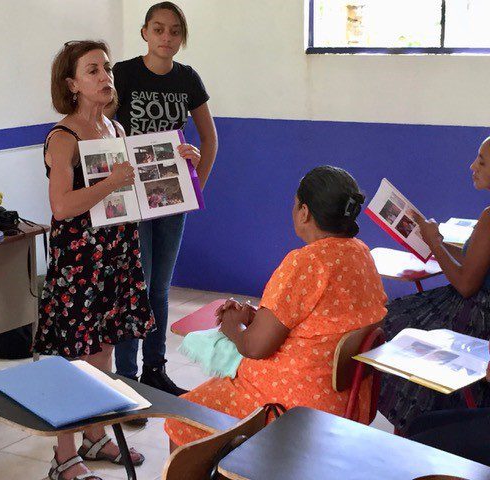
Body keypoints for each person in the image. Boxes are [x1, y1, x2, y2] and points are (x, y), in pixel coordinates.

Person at [164, 166, 388, 448]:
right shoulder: (361, 254)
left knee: (182, 418)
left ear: (304, 211)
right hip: (347, 399)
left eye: (295, 204)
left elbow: (255, 347)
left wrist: (233, 325)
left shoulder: (305, 263)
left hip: (290, 404)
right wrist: (258, 316)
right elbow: (320, 324)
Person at [32, 40, 154, 480]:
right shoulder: (62, 137)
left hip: (116, 255)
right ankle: (63, 457)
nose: (105, 77)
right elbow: (61, 207)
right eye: (93, 71)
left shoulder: (116, 130)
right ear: (71, 84)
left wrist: (179, 165)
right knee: (75, 358)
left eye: (107, 69)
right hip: (81, 261)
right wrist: (111, 183)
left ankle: (96, 436)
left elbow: (133, 190)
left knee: (103, 352)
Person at [113, 1, 218, 399]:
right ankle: (126, 376)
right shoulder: (122, 73)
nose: (166, 38)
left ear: (182, 37)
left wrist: (196, 186)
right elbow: (102, 129)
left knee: (159, 287)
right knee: (133, 286)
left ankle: (154, 367)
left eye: (174, 31)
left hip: (171, 197)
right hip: (132, 196)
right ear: (145, 33)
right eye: (158, 29)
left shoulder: (187, 78)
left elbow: (209, 138)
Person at [378, 136, 490, 435]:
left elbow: (466, 283)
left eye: (481, 161)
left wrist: (434, 243)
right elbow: (473, 260)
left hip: (476, 314)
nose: (472, 166)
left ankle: (414, 423)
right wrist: (434, 241)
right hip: (479, 305)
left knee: (392, 322)